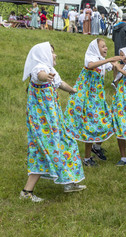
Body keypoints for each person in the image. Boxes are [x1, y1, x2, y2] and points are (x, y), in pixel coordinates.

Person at [21, 42, 86, 202]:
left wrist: (73, 90)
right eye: (51, 52)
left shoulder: (50, 69)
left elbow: (59, 83)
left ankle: (68, 182)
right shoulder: (39, 68)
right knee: (46, 150)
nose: (55, 55)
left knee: (66, 144)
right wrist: (45, 76)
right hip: (43, 124)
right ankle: (26, 192)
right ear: (42, 55)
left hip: (54, 120)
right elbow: (40, 75)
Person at [65, 39, 121, 166]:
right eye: (102, 46)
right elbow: (90, 65)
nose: (106, 48)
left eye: (106, 46)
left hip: (97, 98)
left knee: (107, 120)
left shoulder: (101, 61)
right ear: (95, 48)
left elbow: (113, 66)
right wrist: (110, 59)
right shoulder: (90, 57)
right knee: (90, 125)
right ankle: (87, 158)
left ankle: (96, 147)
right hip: (87, 98)